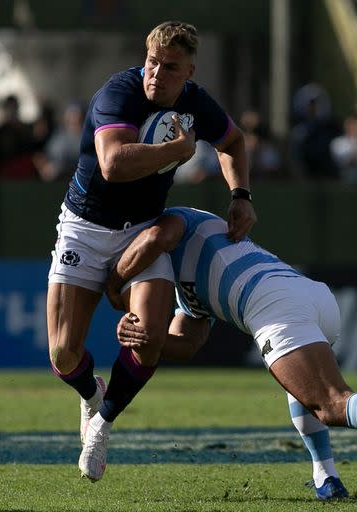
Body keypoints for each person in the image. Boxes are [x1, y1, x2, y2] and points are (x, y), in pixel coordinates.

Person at [105, 206, 357, 506]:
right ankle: (326, 476)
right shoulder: (182, 289)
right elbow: (187, 343)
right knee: (304, 389)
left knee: (331, 403)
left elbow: (155, 237)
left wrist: (113, 281)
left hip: (275, 303)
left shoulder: (172, 220)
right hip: (308, 295)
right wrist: (148, 338)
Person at [45, 21, 256, 483]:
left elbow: (234, 141)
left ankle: (102, 425)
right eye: (152, 62)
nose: (156, 73)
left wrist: (240, 194)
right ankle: (91, 393)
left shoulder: (196, 103)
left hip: (141, 229)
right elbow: (113, 164)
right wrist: (178, 150)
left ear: (189, 72)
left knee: (150, 338)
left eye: (170, 67)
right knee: (63, 352)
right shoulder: (117, 94)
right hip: (85, 226)